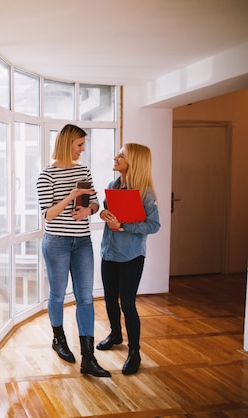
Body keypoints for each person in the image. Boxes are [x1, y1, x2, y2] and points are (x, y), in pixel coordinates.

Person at [36, 123, 111, 378]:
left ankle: (88, 358)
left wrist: (87, 209)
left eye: (84, 145)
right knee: (58, 295)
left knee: (86, 297)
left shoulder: (83, 170)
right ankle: (59, 339)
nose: (82, 149)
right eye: (79, 144)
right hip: (56, 241)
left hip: (82, 242)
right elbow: (48, 215)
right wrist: (72, 195)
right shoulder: (46, 175)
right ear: (67, 144)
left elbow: (94, 202)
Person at [97, 143, 160, 375]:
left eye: (121, 155)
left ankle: (135, 352)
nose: (115, 157)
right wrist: (105, 214)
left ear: (133, 162)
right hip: (109, 253)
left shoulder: (146, 194)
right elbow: (110, 215)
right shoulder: (113, 185)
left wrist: (122, 226)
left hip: (131, 257)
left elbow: (154, 225)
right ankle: (115, 334)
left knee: (128, 304)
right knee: (110, 300)